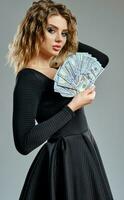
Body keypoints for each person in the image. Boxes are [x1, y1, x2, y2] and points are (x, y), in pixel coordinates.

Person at [8, 0, 114, 199]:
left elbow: (102, 59)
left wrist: (68, 39)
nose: (59, 39)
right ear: (35, 30)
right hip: (62, 158)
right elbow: (24, 142)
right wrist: (72, 106)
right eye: (51, 30)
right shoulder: (28, 78)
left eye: (64, 33)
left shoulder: (60, 64)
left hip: (85, 149)